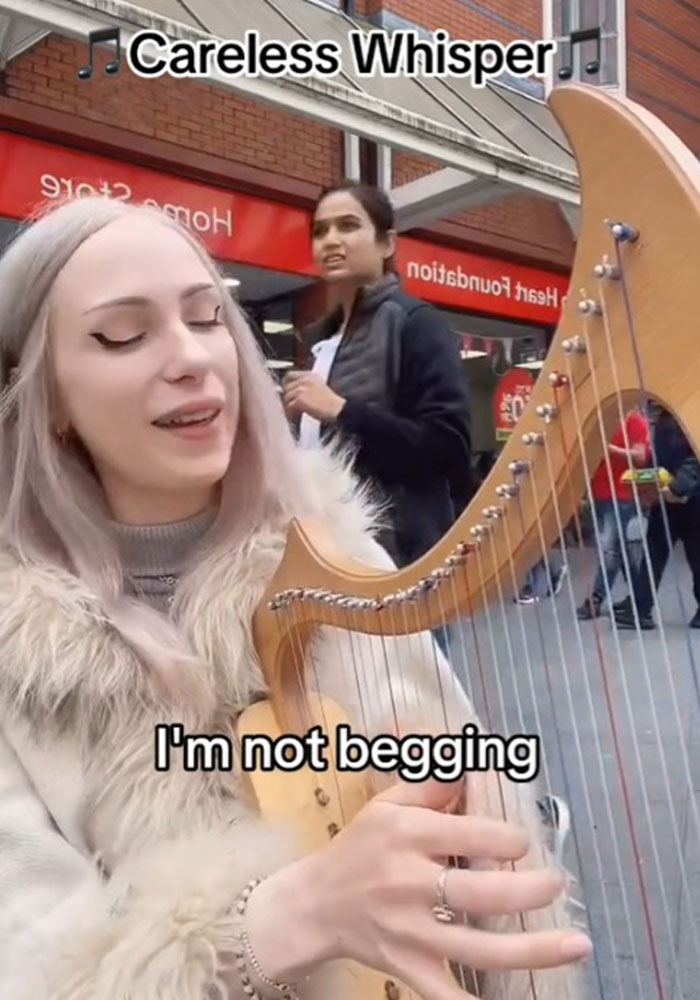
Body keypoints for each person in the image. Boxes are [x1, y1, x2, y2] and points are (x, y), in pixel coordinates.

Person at [0, 195, 591, 1000]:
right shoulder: (21, 653)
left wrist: (477, 831)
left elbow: (481, 847)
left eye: (210, 319)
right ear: (49, 401)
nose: (192, 359)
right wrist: (283, 923)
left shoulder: (335, 554)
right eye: (122, 334)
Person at [282, 180, 474, 570]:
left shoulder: (417, 323)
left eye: (348, 226)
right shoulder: (324, 339)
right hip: (332, 550)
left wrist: (340, 410)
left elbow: (449, 448)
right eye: (320, 231)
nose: (331, 240)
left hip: (399, 558)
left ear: (387, 243)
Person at [614, 407, 700, 630]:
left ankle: (640, 610)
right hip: (674, 496)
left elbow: (693, 457)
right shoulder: (666, 417)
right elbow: (661, 458)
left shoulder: (677, 415)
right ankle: (640, 609)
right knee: (655, 554)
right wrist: (649, 486)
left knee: (665, 555)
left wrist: (676, 488)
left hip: (688, 497)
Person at [576, 407, 651, 620]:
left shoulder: (635, 421)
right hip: (599, 493)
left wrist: (609, 449)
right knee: (621, 550)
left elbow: (640, 457)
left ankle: (596, 599)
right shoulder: (601, 420)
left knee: (609, 547)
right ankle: (640, 598)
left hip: (623, 495)